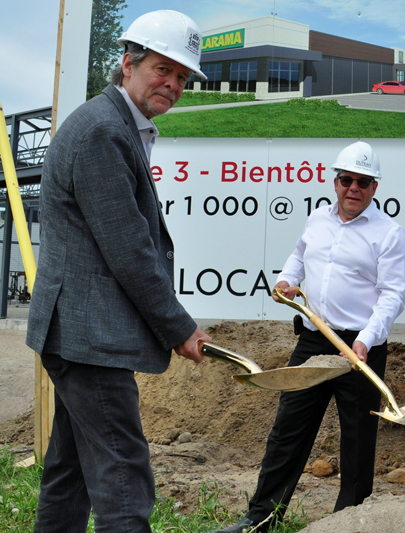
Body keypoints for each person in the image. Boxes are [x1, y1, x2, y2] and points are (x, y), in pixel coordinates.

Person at [25, 10, 211, 532]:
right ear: (128, 63)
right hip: (90, 340)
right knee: (124, 479)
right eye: (162, 69)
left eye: (181, 77)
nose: (173, 84)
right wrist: (179, 328)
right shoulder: (105, 131)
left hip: (81, 336)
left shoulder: (111, 124)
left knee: (70, 473)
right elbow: (129, 250)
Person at [214, 141, 405, 533]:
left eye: (363, 182)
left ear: (375, 188)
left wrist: (366, 339)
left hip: (360, 349)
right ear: (335, 182)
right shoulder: (317, 218)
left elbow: (393, 295)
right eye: (347, 179)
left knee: (357, 442)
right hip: (314, 342)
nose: (354, 188)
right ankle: (260, 519)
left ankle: (347, 523)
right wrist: (288, 279)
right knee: (288, 430)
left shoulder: (390, 234)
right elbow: (300, 256)